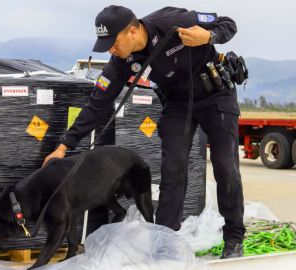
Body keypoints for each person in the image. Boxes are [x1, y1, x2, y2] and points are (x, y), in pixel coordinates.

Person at [43, 6, 245, 259]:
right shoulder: (120, 63)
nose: (111, 50)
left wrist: (210, 37)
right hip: (177, 104)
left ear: (133, 31)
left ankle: (234, 238)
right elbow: (97, 104)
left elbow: (228, 23)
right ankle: (166, 241)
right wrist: (64, 146)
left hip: (216, 96)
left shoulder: (172, 20)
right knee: (173, 170)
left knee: (225, 168)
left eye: (114, 42)